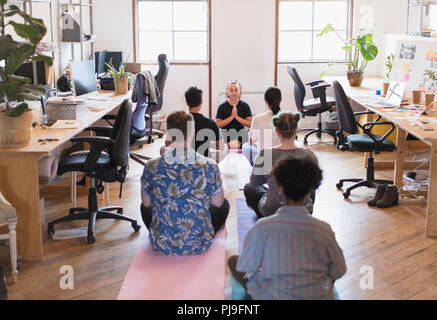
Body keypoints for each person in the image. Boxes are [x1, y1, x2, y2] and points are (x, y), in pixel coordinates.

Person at [228, 157, 347, 300]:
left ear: (280, 188)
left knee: (235, 261)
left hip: (272, 295)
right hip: (316, 295)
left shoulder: (261, 228)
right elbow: (339, 270)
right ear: (311, 191)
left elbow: (246, 267)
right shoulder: (324, 230)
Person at [140, 111, 229, 255]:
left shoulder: (151, 166)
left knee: (144, 207)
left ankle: (159, 232)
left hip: (162, 242)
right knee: (224, 205)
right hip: (199, 243)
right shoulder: (210, 165)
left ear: (168, 132)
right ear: (192, 132)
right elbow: (218, 204)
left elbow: (146, 203)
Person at [244, 111, 318, 219]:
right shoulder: (309, 155)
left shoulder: (266, 154)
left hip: (272, 211)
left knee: (249, 187)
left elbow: (255, 182)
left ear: (276, 130)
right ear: (296, 128)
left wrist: (270, 180)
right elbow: (314, 184)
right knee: (310, 184)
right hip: (304, 211)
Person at [185, 86, 228, 163]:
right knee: (225, 148)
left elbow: (168, 144)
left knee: (162, 148)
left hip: (183, 159)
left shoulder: (178, 120)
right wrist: (207, 143)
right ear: (201, 101)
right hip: (203, 160)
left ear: (186, 102)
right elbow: (221, 146)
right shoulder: (210, 122)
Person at [242, 86, 282, 165]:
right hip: (281, 159)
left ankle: (255, 167)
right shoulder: (287, 118)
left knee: (245, 146)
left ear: (265, 101)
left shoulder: (257, 118)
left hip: (263, 160)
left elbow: (251, 141)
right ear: (280, 100)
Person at [215, 80, 252, 149]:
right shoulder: (222, 106)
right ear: (227, 92)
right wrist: (231, 117)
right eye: (231, 90)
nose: (234, 93)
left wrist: (237, 117)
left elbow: (250, 124)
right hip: (225, 137)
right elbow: (218, 124)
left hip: (241, 137)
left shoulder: (245, 105)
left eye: (236, 90)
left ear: (239, 91)